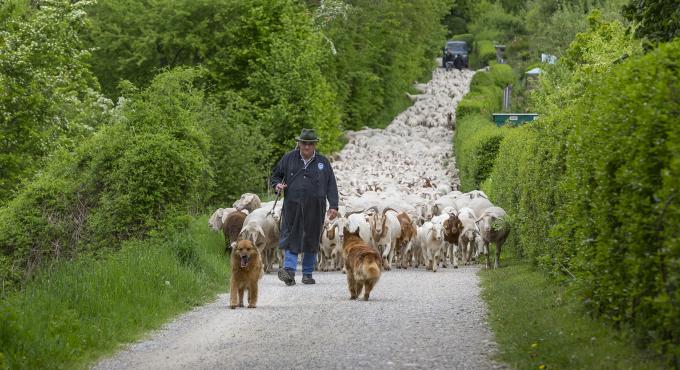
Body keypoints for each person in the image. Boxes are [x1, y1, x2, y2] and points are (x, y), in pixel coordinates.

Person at [271, 128, 339, 286]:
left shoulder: (323, 162)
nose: (307, 147)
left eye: (310, 144)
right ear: (299, 143)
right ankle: (289, 271)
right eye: (304, 143)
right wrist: (277, 185)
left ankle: (307, 273)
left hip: (316, 206)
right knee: (291, 234)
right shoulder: (289, 158)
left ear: (315, 144)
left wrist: (333, 205)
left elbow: (331, 185)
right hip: (292, 204)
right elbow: (276, 176)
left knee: (312, 236)